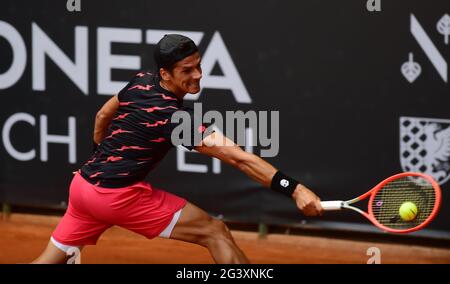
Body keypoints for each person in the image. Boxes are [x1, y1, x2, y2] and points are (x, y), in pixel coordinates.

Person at [32, 34, 323, 264]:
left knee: (50, 260)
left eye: (199, 65)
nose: (197, 74)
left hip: (82, 187)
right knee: (214, 232)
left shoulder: (140, 82)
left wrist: (97, 156)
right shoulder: (174, 118)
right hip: (118, 197)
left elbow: (102, 116)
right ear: (166, 74)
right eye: (187, 69)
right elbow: (238, 158)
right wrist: (294, 189)